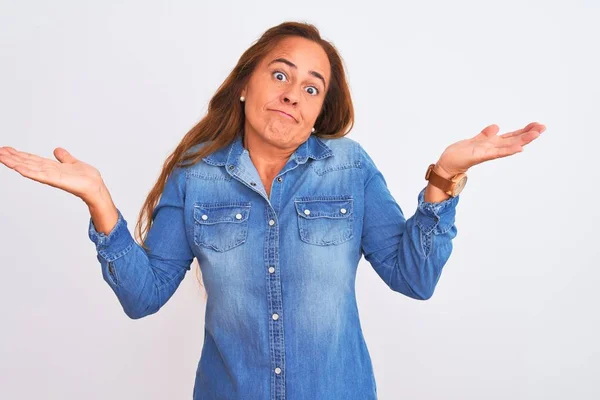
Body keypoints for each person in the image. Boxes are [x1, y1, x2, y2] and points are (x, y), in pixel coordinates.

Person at [0, 21, 545, 400]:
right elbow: (143, 297)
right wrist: (100, 200)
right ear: (245, 84)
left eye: (312, 88)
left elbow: (414, 278)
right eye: (280, 75)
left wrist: (443, 177)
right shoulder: (197, 174)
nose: (293, 95)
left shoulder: (348, 169)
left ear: (318, 111)